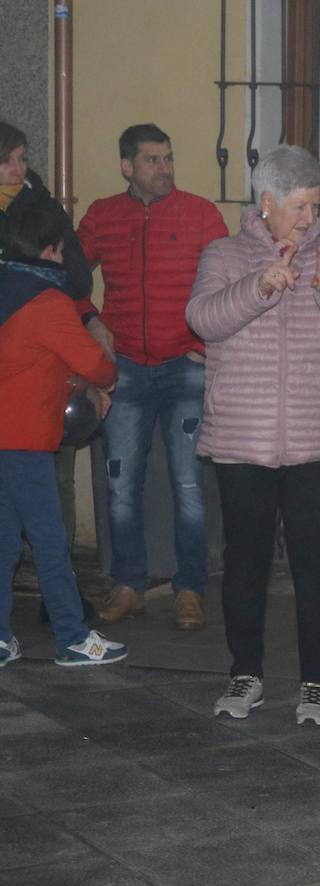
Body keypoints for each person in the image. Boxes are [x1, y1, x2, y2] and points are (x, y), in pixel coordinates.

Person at [186, 145, 320, 725]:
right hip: (242, 439)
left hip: (314, 440)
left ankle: (317, 683)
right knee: (245, 561)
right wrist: (259, 286)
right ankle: (245, 675)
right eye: (299, 206)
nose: (309, 219)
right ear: (265, 203)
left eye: (315, 207)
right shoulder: (223, 254)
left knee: (316, 563)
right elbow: (202, 319)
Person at [76, 124, 230, 631]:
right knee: (121, 483)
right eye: (151, 160)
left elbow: (227, 285)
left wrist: (206, 345)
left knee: (189, 482)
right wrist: (91, 319)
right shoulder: (102, 215)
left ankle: (190, 589)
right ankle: (128, 585)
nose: (164, 169)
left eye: (168, 158)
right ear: (127, 166)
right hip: (124, 372)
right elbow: (67, 277)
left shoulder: (201, 213)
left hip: (186, 367)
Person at [0, 203, 125, 667]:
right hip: (25, 440)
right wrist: (102, 379)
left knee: (3, 542)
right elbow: (95, 363)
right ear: (51, 249)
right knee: (50, 541)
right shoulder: (47, 303)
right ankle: (72, 637)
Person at [0, 121, 91, 301]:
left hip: (31, 320)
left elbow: (81, 283)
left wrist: (47, 269)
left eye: (22, 159)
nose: (18, 170)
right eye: (5, 160)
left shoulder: (46, 208)